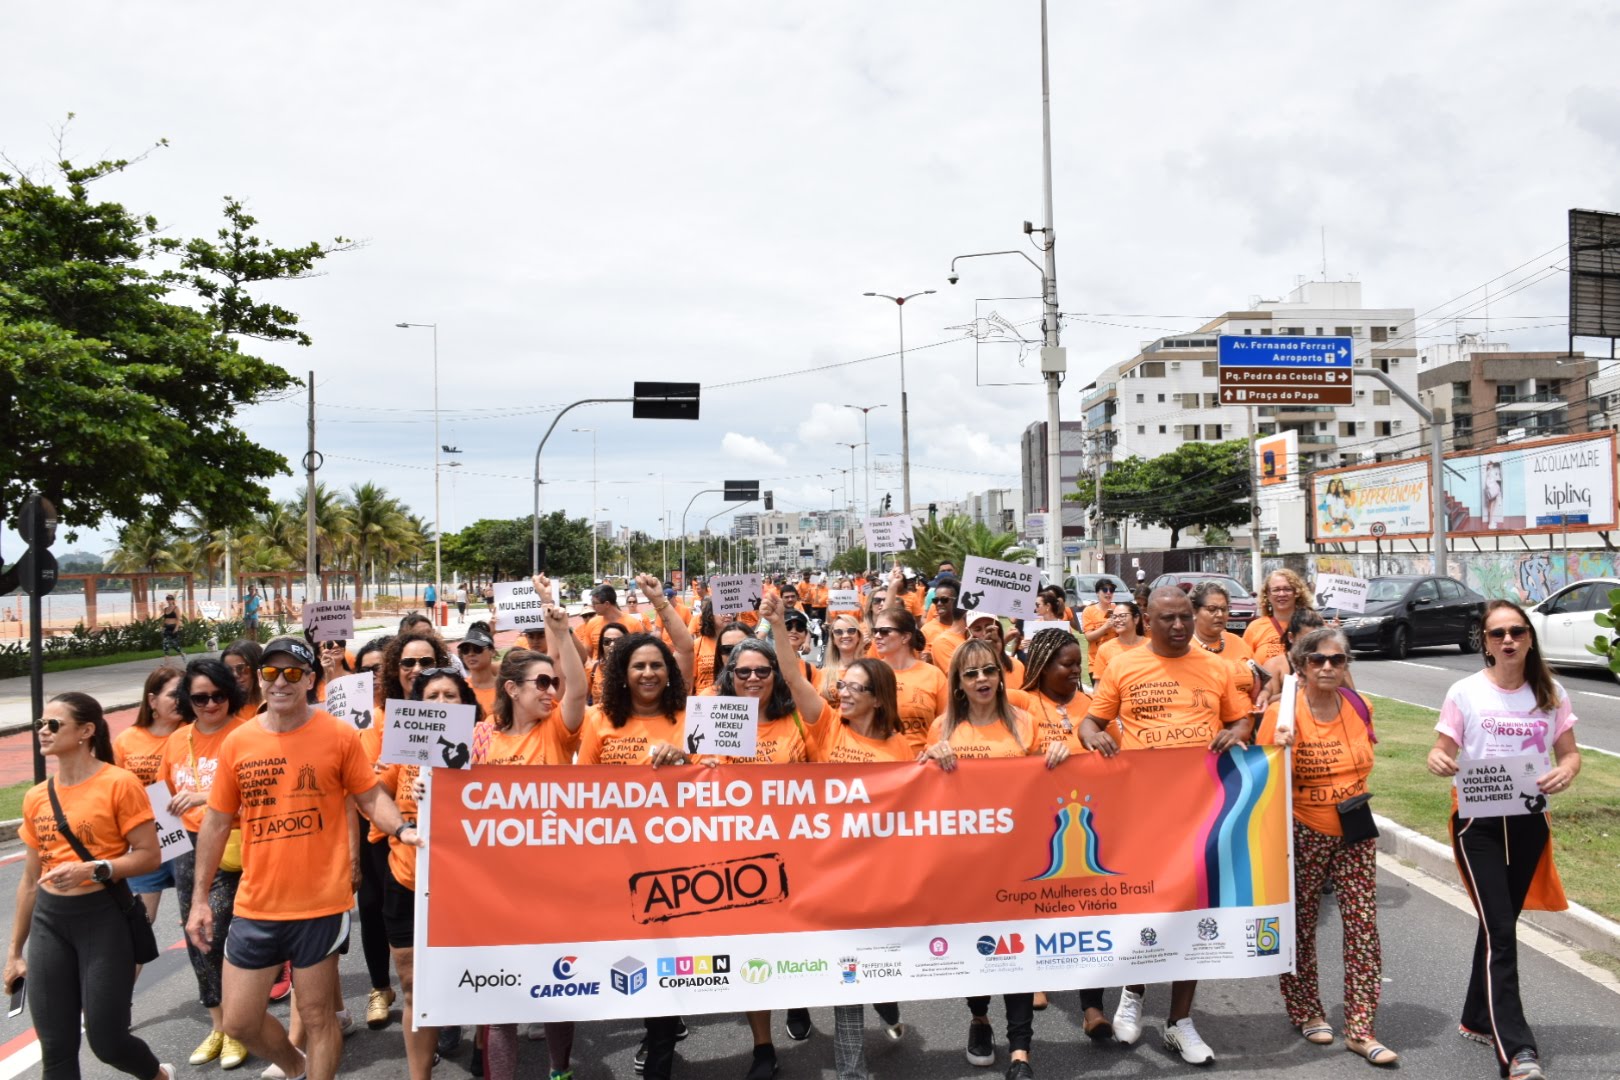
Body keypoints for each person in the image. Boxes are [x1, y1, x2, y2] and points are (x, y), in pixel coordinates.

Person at [185, 636, 423, 1080]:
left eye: (293, 673)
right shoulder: (238, 742)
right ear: (259, 679)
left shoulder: (338, 735)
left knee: (317, 1016)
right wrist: (200, 899)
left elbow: (370, 796)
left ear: (310, 679)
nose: (281, 682)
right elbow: (216, 824)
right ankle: (298, 1068)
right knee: (239, 1021)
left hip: (321, 903)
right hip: (257, 903)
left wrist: (402, 828)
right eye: (271, 673)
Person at [1079, 587, 1253, 1065]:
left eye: (1184, 618)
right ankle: (1133, 993)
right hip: (1144, 813)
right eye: (1167, 619)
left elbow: (1242, 723)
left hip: (1203, 811)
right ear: (1146, 619)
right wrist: (1095, 738)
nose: (1178, 626)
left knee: (1193, 913)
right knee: (1146, 907)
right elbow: (1090, 723)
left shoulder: (1216, 667)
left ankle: (1180, 1021)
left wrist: (1235, 732)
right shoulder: (1123, 666)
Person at [1428, 600, 1580, 1080]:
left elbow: (1570, 755)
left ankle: (1477, 1016)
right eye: (1498, 633)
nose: (1508, 640)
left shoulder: (1551, 692)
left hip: (1530, 821)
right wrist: (1438, 759)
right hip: (1479, 823)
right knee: (1501, 931)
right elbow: (1441, 749)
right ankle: (1516, 1049)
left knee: (1500, 923)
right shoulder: (1465, 692)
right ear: (1486, 643)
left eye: (1517, 631)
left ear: (1530, 638)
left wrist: (1566, 772)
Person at [922, 640, 1069, 1079]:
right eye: (971, 674)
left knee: (1018, 950)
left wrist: (1059, 755)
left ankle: (1021, 1051)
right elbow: (922, 791)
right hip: (963, 864)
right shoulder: (942, 728)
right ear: (958, 683)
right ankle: (979, 1018)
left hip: (1016, 862)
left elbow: (1050, 785)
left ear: (1000, 676)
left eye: (988, 670)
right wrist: (929, 757)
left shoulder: (1025, 724)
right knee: (976, 949)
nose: (982, 679)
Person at [7, 693, 169, 1079]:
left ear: (86, 731)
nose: (43, 731)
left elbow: (149, 856)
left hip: (103, 919)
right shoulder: (36, 796)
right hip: (50, 922)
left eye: (53, 724)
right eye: (40, 724)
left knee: (108, 1041)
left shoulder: (119, 784)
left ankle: (159, 1076)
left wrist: (95, 870)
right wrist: (14, 952)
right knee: (56, 1049)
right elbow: (29, 881)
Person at [1256, 628, 1394, 1066]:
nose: (1328, 667)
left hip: (1354, 830)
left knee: (1363, 927)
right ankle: (1306, 1010)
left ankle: (1361, 1028)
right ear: (1300, 666)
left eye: (1337, 659)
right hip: (1301, 831)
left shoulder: (1359, 706)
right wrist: (1278, 752)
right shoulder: (1280, 713)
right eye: (1317, 660)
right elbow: (1258, 782)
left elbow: (1365, 760)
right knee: (1300, 925)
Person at [576, 597, 694, 1080]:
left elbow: (723, 780)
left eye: (657, 665)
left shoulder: (692, 716)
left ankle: (660, 1049)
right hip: (620, 858)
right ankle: (657, 1027)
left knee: (666, 952)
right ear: (622, 674)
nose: (649, 673)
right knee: (637, 953)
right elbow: (581, 789)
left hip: (681, 856)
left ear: (669, 673)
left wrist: (687, 760)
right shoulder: (598, 720)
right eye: (639, 666)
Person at [162, 658, 249, 1070]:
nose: (211, 704)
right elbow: (164, 797)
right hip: (187, 847)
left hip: (235, 843)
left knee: (220, 932)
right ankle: (218, 1024)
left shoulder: (247, 735)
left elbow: (260, 796)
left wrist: (207, 798)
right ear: (187, 700)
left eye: (218, 695)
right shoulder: (177, 740)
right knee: (196, 937)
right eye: (200, 698)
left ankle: (238, 1026)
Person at [115, 666, 188, 931]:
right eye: (173, 694)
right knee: (139, 923)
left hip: (189, 836)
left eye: (184, 693)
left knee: (196, 921)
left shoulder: (194, 733)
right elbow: (114, 791)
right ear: (152, 700)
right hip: (146, 837)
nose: (180, 700)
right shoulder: (127, 740)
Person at [871, 606, 949, 755]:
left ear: (905, 637)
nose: (877, 636)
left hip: (924, 762)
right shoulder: (871, 674)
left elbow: (945, 724)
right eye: (875, 631)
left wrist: (933, 751)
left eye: (884, 631)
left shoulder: (934, 675)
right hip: (881, 762)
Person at [1191, 580, 1270, 709]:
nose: (1220, 615)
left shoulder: (1237, 642)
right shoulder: (1185, 648)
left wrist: (1264, 695)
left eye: (1224, 609)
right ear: (1194, 612)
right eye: (1212, 609)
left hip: (1249, 717)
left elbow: (1264, 681)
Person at [1246, 569, 1316, 664]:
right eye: (1276, 590)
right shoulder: (1255, 628)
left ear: (1297, 592)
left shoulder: (1312, 623)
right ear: (1268, 594)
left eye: (1287, 589)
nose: (1282, 594)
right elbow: (1245, 662)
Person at [1089, 601, 1146, 688]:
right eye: (1114, 617)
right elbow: (1098, 685)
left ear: (1136, 618)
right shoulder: (1105, 649)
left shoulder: (1151, 646)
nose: (1117, 620)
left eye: (1122, 616)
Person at [817, 613, 870, 705]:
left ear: (859, 636)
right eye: (838, 632)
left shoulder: (870, 669)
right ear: (833, 639)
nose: (845, 635)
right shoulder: (822, 674)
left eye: (851, 631)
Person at [457, 622, 499, 714]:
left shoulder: (505, 689)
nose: (470, 654)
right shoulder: (459, 688)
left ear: (492, 652)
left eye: (477, 649)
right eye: (465, 650)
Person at [222, 641, 265, 723]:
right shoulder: (221, 708)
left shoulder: (272, 707)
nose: (235, 675)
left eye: (241, 668)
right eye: (228, 670)